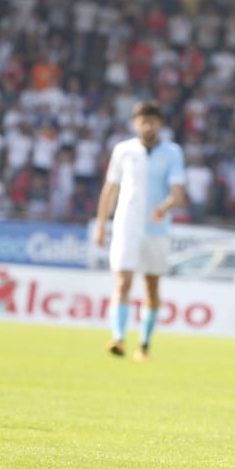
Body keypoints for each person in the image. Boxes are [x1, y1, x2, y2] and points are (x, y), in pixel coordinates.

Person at [92, 101, 187, 360]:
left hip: (156, 229)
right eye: (143, 120)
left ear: (160, 123)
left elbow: (177, 193)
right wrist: (101, 224)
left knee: (151, 286)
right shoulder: (123, 150)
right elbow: (110, 189)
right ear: (135, 123)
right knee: (122, 282)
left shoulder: (172, 152)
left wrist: (164, 207)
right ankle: (118, 338)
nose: (147, 124)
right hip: (126, 225)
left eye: (152, 120)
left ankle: (144, 344)